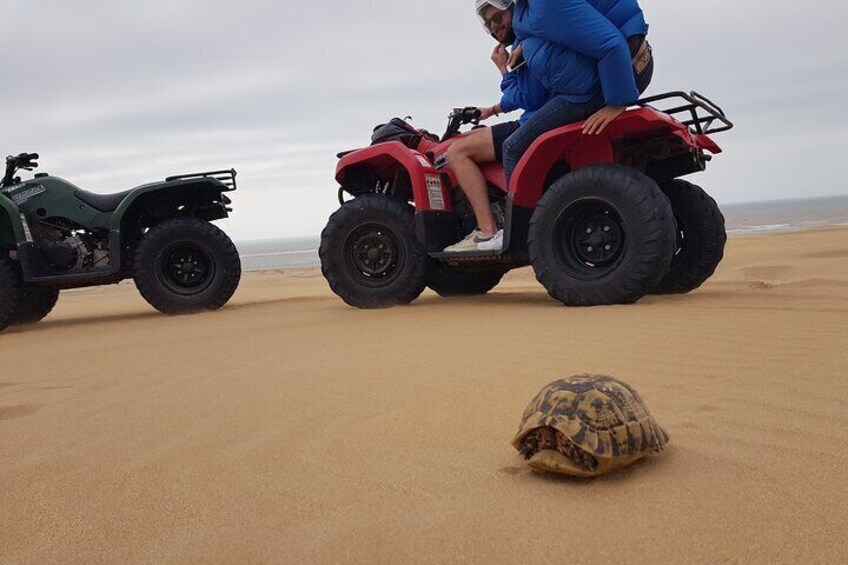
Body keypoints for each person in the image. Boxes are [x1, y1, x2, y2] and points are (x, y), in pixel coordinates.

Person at [501, 0, 655, 187]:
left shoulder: (547, 5)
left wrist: (617, 103)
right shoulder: (532, 8)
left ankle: (533, 216)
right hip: (617, 69)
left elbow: (611, 45)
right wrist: (524, 45)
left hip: (609, 81)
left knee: (513, 149)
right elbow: (565, 25)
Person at [442, 0, 549, 253]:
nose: (495, 26)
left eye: (498, 18)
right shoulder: (534, 33)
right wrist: (493, 110)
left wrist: (503, 69)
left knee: (458, 152)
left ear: (513, 11)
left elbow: (526, 97)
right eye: (489, 23)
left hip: (535, 119)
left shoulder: (524, 43)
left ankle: (487, 232)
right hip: (543, 113)